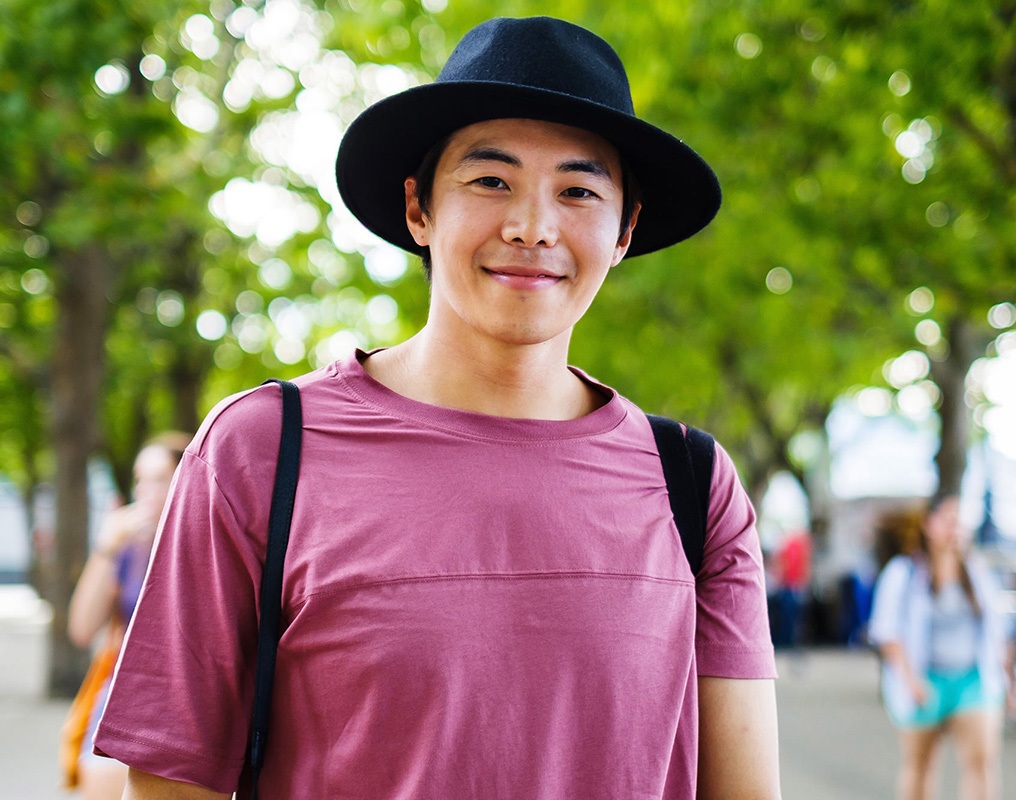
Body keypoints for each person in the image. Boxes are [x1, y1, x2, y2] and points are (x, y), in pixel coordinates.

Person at [93, 16, 780, 800]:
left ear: (624, 229)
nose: (531, 226)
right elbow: (169, 782)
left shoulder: (693, 483)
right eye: (491, 181)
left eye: (578, 191)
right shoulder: (259, 451)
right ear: (419, 209)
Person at [61, 433, 190, 799]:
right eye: (139, 479)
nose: (144, 491)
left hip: (183, 707)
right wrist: (105, 547)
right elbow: (82, 630)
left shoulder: (207, 546)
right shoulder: (126, 549)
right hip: (123, 701)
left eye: (159, 479)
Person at [867, 493, 1013, 800]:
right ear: (928, 525)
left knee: (982, 764)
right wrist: (911, 681)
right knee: (920, 766)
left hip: (972, 680)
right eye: (948, 520)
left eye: (959, 522)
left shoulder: (975, 570)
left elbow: (995, 631)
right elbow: (887, 632)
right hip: (923, 682)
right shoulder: (904, 572)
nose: (954, 528)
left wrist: (1008, 680)